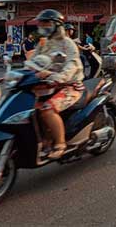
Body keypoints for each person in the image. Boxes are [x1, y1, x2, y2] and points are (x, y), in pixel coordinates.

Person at [28, 9, 84, 159]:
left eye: (46, 23)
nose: (42, 26)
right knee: (28, 109)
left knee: (47, 109)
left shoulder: (68, 43)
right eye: (41, 23)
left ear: (56, 25)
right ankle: (44, 140)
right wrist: (16, 75)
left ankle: (60, 143)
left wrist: (59, 77)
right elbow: (31, 62)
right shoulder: (43, 44)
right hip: (46, 85)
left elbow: (72, 64)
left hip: (70, 85)